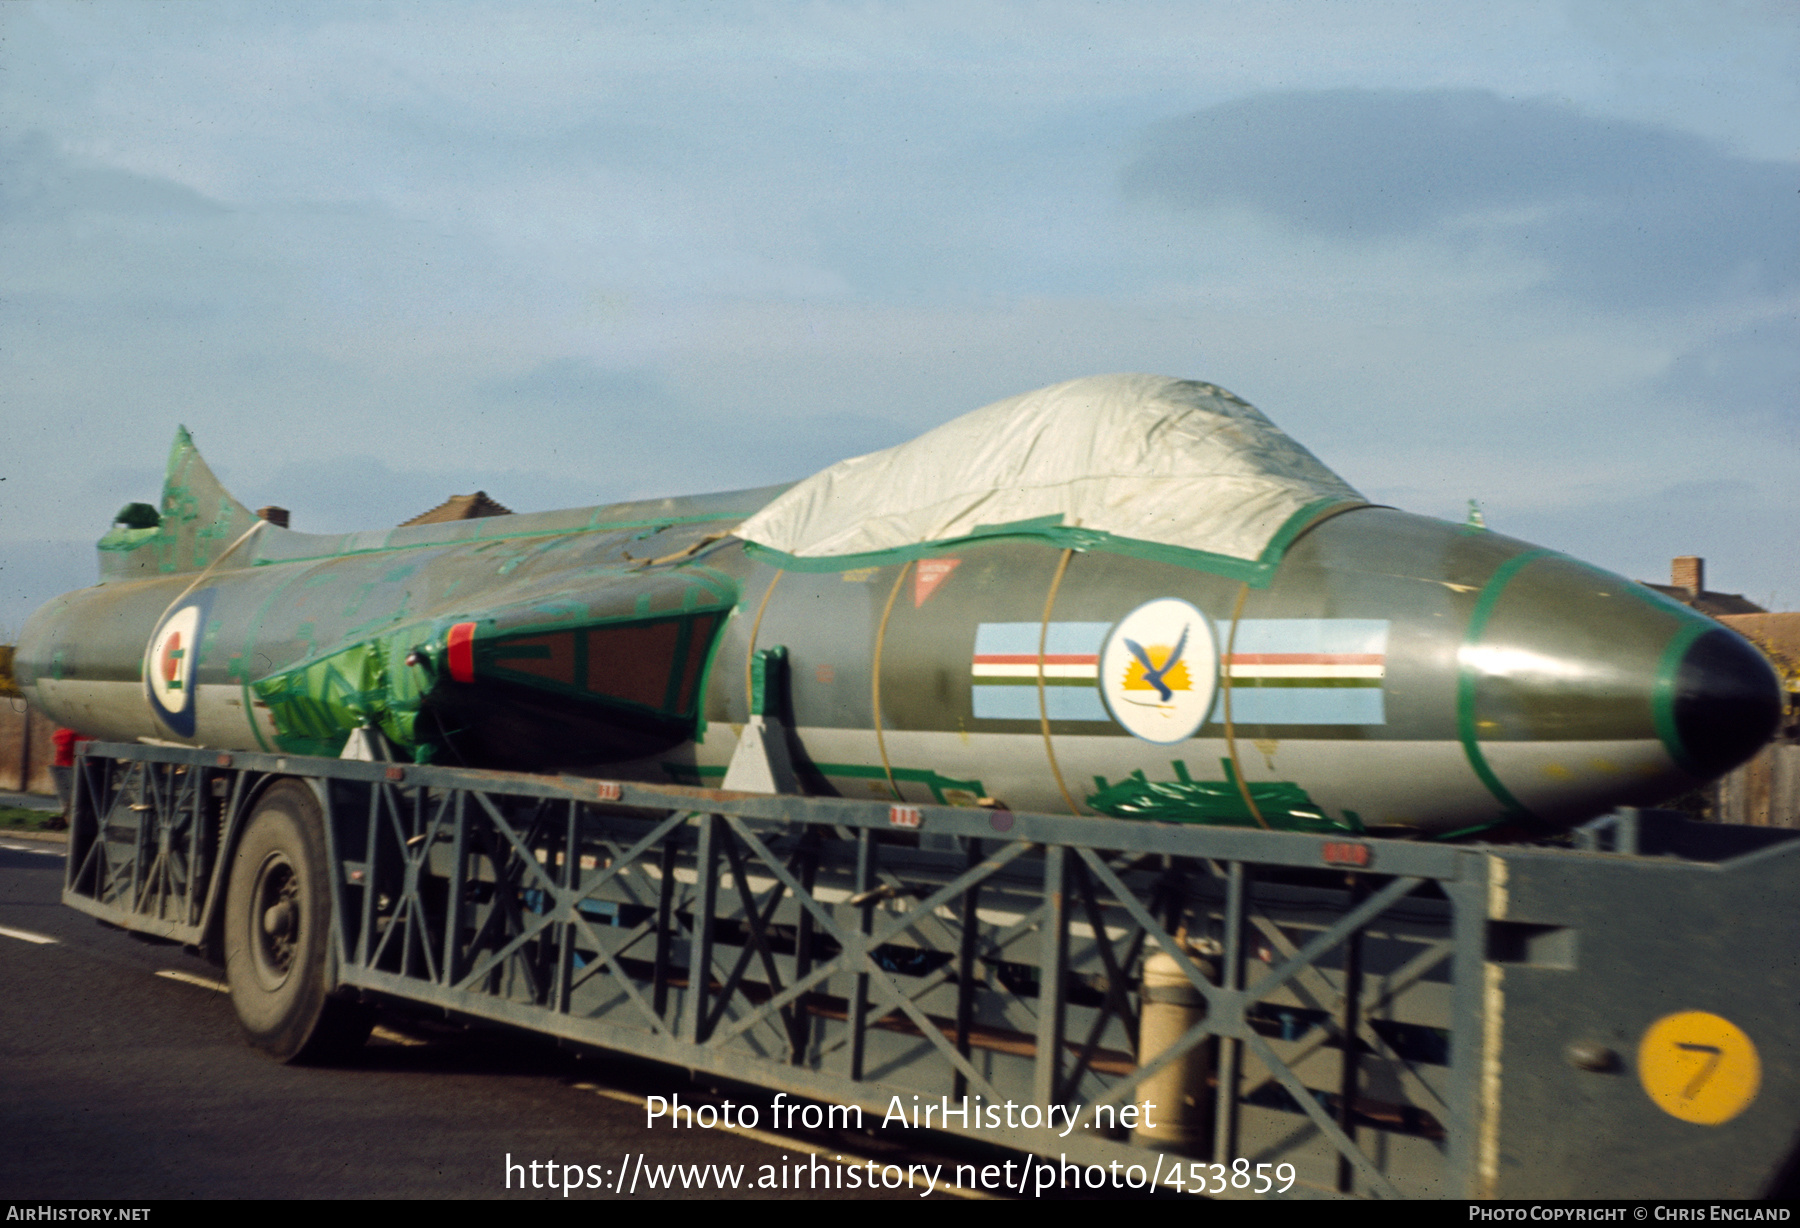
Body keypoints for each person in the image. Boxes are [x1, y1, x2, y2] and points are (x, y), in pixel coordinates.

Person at [49, 726, 91, 831]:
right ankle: (68, 821)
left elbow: (61, 754)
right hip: (81, 769)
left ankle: (68, 820)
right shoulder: (80, 735)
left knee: (72, 803)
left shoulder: (64, 734)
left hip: (65, 770)